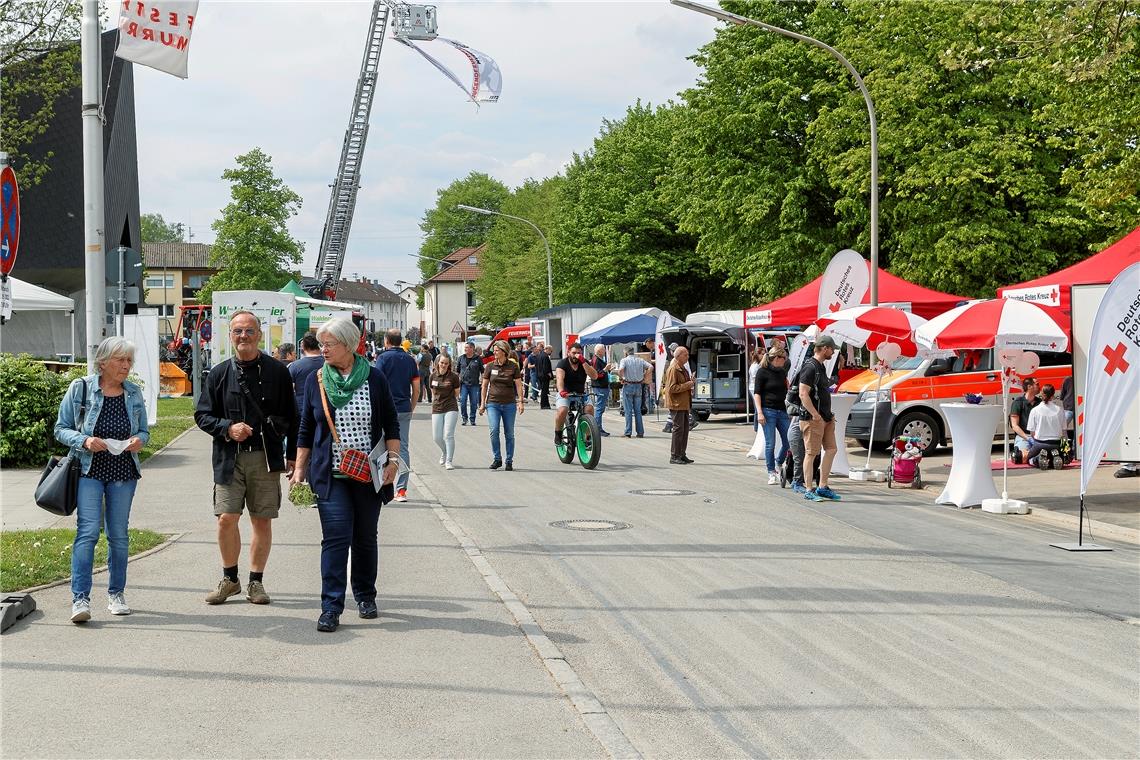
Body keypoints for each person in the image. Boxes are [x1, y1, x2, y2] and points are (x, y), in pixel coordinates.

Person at [291, 319, 401, 632]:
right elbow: (306, 427)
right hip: (331, 474)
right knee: (336, 538)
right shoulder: (317, 380)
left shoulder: (375, 378)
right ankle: (331, 607)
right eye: (321, 343)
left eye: (329, 344)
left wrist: (393, 461)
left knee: (365, 537)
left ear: (348, 345)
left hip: (369, 474)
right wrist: (300, 468)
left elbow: (391, 424)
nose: (322, 349)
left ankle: (365, 595)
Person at [195, 311, 298, 605]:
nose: (244, 336)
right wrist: (228, 427)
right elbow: (202, 415)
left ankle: (256, 582)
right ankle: (230, 579)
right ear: (230, 336)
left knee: (261, 521)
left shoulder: (278, 372)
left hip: (265, 458)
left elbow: (293, 416)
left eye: (249, 331)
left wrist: (293, 457)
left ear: (260, 335)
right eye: (238, 331)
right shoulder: (218, 373)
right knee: (226, 519)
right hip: (229, 458)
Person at [54, 337, 149, 623]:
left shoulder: (133, 393)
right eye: (121, 360)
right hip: (88, 471)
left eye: (129, 361)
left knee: (118, 537)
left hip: (123, 473)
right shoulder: (81, 388)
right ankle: (80, 599)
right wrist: (85, 440)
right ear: (104, 362)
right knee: (88, 533)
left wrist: (137, 441)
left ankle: (116, 594)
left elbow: (144, 432)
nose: (126, 366)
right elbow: (61, 428)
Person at [374, 329, 420, 502]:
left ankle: (383, 484)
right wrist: (411, 406)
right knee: (403, 448)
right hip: (403, 407)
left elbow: (377, 383)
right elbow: (416, 388)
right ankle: (401, 490)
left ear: (386, 341)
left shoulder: (383, 358)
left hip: (385, 409)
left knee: (381, 447)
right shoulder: (410, 360)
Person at [798, 335, 840, 502]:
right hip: (813, 418)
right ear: (824, 348)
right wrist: (815, 414)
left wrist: (827, 415)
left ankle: (822, 486)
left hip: (825, 417)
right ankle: (809, 489)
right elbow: (803, 393)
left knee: (831, 449)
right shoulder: (810, 367)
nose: (833, 352)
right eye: (832, 349)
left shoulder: (820, 366)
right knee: (811, 453)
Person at [479, 340, 525, 470]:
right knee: (494, 431)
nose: (494, 352)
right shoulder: (489, 366)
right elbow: (484, 386)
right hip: (492, 403)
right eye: (494, 350)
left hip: (509, 404)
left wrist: (520, 402)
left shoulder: (513, 366)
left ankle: (509, 460)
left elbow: (518, 385)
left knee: (509, 433)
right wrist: (482, 404)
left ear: (504, 352)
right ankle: (497, 458)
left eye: (497, 350)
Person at [754, 345, 791, 485]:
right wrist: (760, 412)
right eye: (783, 358)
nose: (785, 360)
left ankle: (778, 462)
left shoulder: (782, 372)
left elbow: (785, 391)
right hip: (767, 410)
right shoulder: (762, 372)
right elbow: (757, 393)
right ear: (777, 358)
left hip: (781, 410)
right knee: (770, 443)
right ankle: (771, 472)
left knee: (788, 440)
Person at [554, 342, 600, 445]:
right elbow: (559, 378)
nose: (576, 355)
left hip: (580, 394)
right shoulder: (563, 363)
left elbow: (595, 376)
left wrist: (584, 362)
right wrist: (561, 391)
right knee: (562, 410)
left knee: (589, 409)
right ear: (568, 352)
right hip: (565, 394)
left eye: (578, 353)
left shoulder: (584, 362)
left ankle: (587, 437)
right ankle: (558, 433)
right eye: (573, 353)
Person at [662, 345, 695, 464]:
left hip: (683, 403)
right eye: (685, 354)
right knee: (678, 429)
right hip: (676, 404)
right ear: (679, 356)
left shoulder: (682, 367)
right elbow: (671, 388)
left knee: (684, 429)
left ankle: (681, 454)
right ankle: (675, 455)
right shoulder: (673, 369)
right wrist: (688, 384)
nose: (687, 356)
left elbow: (683, 384)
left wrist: (690, 382)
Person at [430, 353, 462, 469]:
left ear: (449, 364)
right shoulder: (433, 376)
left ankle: (449, 460)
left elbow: (457, 392)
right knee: (437, 437)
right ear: (438, 362)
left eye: (446, 363)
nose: (444, 365)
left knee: (448, 435)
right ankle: (444, 452)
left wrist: (449, 398)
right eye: (442, 363)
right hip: (437, 407)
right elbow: (433, 392)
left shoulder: (453, 377)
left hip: (451, 407)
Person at [1025, 383, 1067, 468]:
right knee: (1059, 458)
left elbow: (1032, 433)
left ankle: (1036, 459)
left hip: (1040, 444)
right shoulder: (1060, 410)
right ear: (1053, 395)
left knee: (1028, 459)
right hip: (1056, 444)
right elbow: (1064, 431)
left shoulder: (1035, 410)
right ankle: (1054, 458)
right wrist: (1065, 447)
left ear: (1041, 394)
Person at [784, 361, 809, 494]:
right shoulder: (799, 392)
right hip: (796, 428)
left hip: (801, 426)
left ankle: (801, 480)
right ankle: (797, 481)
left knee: (805, 455)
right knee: (799, 456)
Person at [618, 347, 651, 438]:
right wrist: (645, 376)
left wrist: (621, 378)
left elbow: (620, 370)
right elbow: (651, 367)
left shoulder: (624, 360)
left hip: (628, 385)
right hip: (638, 385)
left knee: (628, 410)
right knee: (638, 411)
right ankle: (640, 432)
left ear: (626, 353)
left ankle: (628, 432)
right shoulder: (640, 360)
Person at [288, 333, 324, 412]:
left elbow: (288, 392)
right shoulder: (329, 364)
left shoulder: (294, 366)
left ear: (303, 346)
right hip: (325, 410)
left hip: (302, 410)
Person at [1009, 377, 1040, 463]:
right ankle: (1033, 458)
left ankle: (1034, 458)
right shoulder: (1018, 403)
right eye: (1037, 384)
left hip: (1038, 437)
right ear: (1029, 387)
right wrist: (1028, 438)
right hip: (1023, 437)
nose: (1039, 386)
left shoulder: (1040, 403)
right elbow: (1015, 426)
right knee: (1021, 457)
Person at [588, 344, 613, 437]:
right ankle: (597, 428)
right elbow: (596, 375)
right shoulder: (596, 360)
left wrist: (607, 370)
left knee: (600, 408)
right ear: (599, 351)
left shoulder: (598, 359)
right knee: (599, 408)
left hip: (602, 386)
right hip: (600, 386)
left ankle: (598, 428)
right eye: (603, 350)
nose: (605, 351)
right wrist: (605, 369)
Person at [457, 341, 483, 426]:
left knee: (474, 402)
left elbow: (482, 371)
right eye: (465, 347)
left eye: (467, 347)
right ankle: (464, 418)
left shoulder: (478, 358)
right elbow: (457, 371)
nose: (465, 349)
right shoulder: (461, 358)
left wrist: (482, 380)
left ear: (472, 348)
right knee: (463, 401)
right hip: (464, 384)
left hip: (474, 384)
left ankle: (472, 419)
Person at [747, 348, 763, 432]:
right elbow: (756, 378)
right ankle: (756, 427)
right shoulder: (755, 366)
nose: (764, 356)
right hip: (754, 388)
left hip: (754, 387)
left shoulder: (758, 365)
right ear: (758, 355)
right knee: (757, 407)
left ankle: (757, 427)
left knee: (757, 407)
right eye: (762, 354)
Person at [535, 342, 554, 409]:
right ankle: (544, 405)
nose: (551, 352)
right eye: (551, 351)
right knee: (544, 391)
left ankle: (545, 404)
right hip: (544, 376)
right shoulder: (545, 357)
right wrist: (549, 375)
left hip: (539, 375)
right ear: (547, 349)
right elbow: (546, 368)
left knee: (543, 390)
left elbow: (536, 366)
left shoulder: (539, 356)